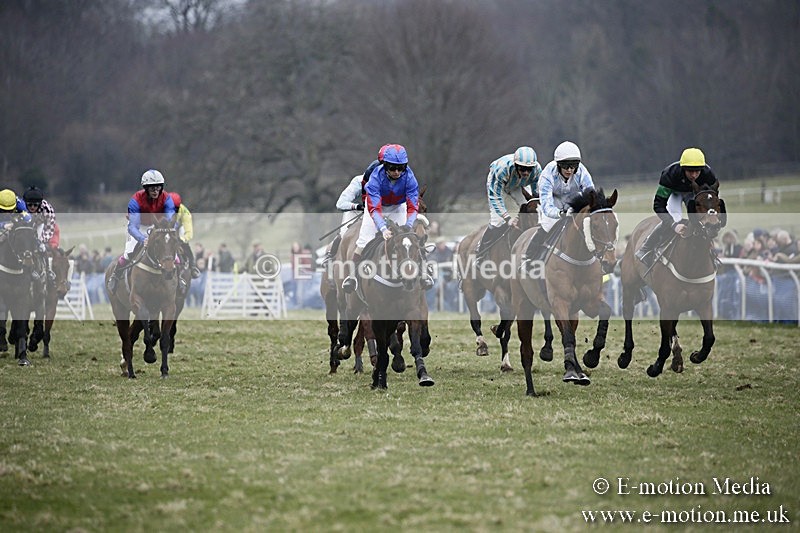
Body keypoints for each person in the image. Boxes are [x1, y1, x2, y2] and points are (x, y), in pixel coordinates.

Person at [341, 144, 432, 292]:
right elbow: (375, 208)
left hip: (398, 206)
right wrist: (382, 228)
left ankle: (424, 274)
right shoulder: (375, 179)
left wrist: (408, 225)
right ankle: (352, 277)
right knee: (364, 240)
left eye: (400, 168)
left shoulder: (410, 178)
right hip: (376, 208)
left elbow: (412, 206)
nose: (397, 172)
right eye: (392, 168)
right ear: (385, 166)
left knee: (409, 239)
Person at [635, 147, 719, 266]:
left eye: (697, 171)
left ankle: (711, 252)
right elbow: (658, 205)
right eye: (690, 171)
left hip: (695, 194)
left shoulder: (708, 174)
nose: (694, 175)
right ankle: (646, 248)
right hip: (674, 193)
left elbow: (712, 199)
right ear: (683, 168)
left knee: (703, 219)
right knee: (675, 217)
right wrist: (674, 225)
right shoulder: (670, 174)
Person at [322, 144, 392, 269]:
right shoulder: (358, 181)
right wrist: (358, 207)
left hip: (377, 212)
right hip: (357, 212)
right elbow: (340, 203)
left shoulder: (388, 181)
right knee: (344, 235)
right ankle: (331, 256)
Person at [107, 169, 176, 292]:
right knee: (128, 253)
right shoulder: (136, 200)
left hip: (158, 227)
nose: (155, 191)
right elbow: (133, 227)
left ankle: (180, 280)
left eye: (158, 187)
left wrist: (168, 228)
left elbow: (170, 215)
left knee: (175, 257)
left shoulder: (167, 198)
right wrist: (143, 239)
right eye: (151, 188)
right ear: (145, 188)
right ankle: (115, 276)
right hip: (138, 227)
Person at [525, 141, 594, 260]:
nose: (569, 170)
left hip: (573, 200)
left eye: (573, 166)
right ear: (558, 165)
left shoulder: (582, 171)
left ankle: (598, 258)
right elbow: (546, 205)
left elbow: (590, 194)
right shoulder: (547, 174)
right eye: (565, 166)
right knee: (547, 226)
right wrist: (560, 213)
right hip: (553, 201)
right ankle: (529, 257)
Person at [475, 146, 542, 261]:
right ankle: (481, 252)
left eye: (529, 169)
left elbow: (537, 195)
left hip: (517, 185)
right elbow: (495, 198)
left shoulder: (537, 170)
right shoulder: (501, 170)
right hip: (499, 186)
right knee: (498, 221)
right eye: (522, 168)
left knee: (530, 209)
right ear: (516, 165)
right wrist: (507, 218)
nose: (526, 172)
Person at [168, 191, 202, 279]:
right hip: (165, 229)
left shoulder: (185, 212)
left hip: (178, 229)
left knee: (184, 243)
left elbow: (189, 232)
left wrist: (182, 240)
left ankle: (192, 266)